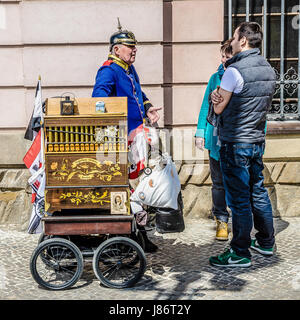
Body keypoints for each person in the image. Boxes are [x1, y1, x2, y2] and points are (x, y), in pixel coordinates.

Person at [209, 22, 276, 267]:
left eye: (235, 37)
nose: (233, 41)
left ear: (244, 41)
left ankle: (239, 252)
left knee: (238, 200)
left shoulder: (233, 71)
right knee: (258, 192)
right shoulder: (269, 69)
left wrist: (216, 97)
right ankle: (266, 242)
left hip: (235, 143)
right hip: (257, 141)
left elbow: (218, 108)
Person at [92, 20, 162, 252]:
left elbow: (136, 91)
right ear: (116, 50)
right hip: (120, 141)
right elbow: (98, 102)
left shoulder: (128, 69)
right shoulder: (108, 70)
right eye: (129, 46)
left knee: (139, 186)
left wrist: (148, 105)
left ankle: (139, 235)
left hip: (136, 137)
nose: (134, 50)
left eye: (134, 46)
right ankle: (129, 237)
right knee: (130, 187)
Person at [195, 40, 233, 241]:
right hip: (216, 139)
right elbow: (205, 106)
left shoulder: (241, 77)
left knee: (238, 182)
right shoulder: (215, 78)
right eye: (222, 56)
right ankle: (221, 220)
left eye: (227, 57)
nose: (223, 60)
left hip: (235, 139)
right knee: (218, 183)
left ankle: (242, 223)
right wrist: (200, 132)